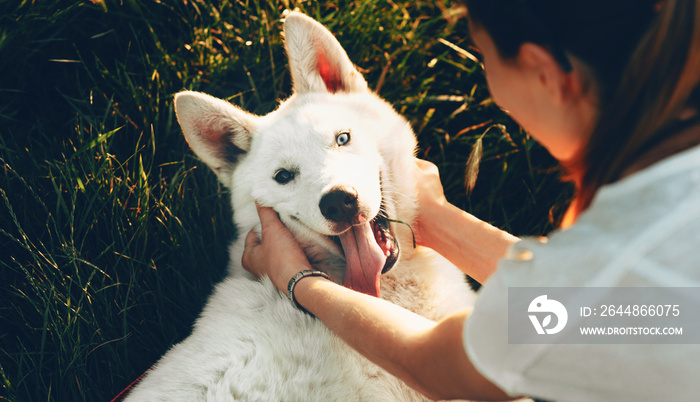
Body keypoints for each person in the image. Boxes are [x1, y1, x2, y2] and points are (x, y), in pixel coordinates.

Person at [242, 0, 700, 400]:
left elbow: (437, 368)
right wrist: (436, 220)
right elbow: (614, 311)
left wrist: (298, 279)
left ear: (542, 70)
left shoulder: (621, 259)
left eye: (484, 56)